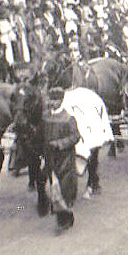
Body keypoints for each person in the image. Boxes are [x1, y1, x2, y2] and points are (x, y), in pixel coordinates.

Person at [41, 87, 82, 231]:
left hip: (65, 159)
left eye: (56, 100)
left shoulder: (68, 118)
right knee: (54, 188)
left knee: (65, 189)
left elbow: (75, 136)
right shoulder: (45, 117)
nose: (52, 103)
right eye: (51, 99)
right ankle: (61, 218)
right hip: (50, 158)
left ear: (61, 100)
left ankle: (65, 219)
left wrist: (60, 144)